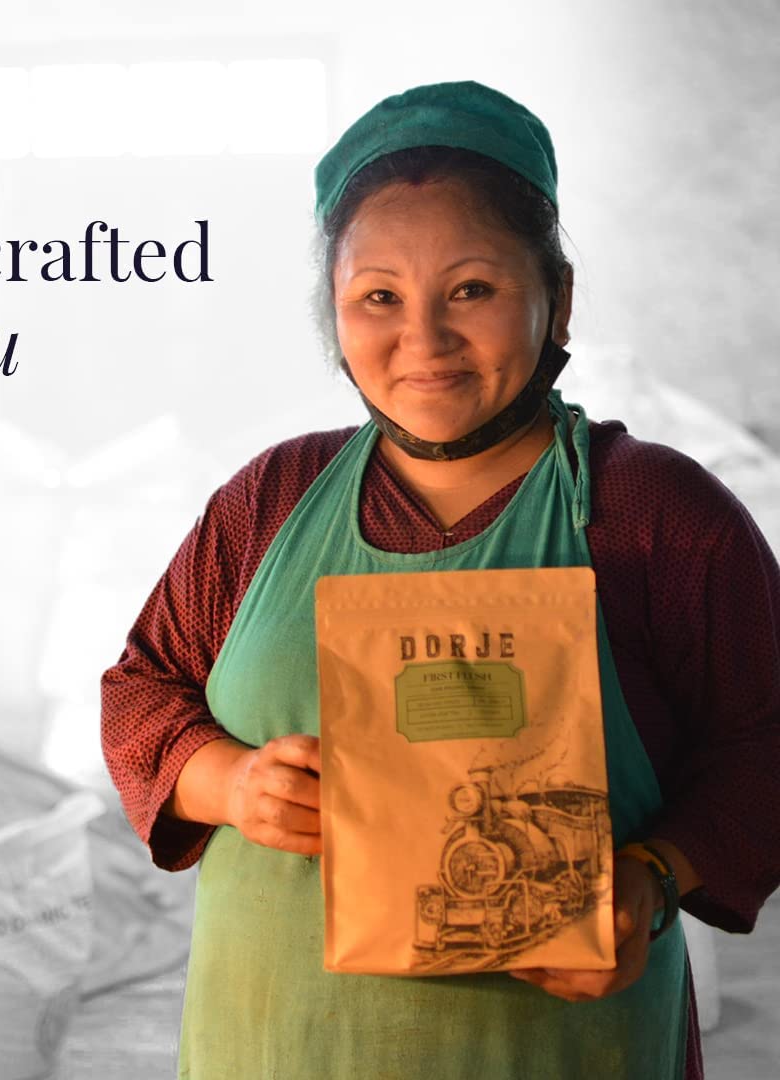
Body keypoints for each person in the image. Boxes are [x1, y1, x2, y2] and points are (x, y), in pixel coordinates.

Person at [101, 81, 780, 1079]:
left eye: (471, 289)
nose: (423, 338)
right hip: (277, 1049)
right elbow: (141, 691)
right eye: (379, 296)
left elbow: (763, 744)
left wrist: (648, 878)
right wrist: (232, 782)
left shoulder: (654, 517)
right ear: (334, 313)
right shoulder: (269, 500)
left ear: (558, 297)